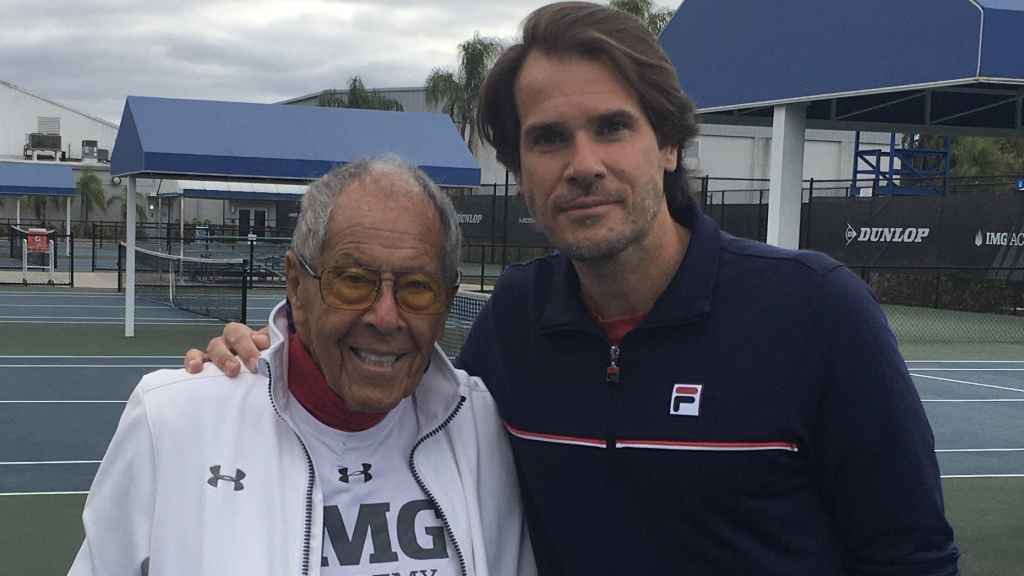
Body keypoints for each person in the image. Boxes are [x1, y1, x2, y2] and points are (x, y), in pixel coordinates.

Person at [186, 3, 959, 574]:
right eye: (549, 139)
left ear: (668, 144)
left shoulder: (818, 313)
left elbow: (912, 556)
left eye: (611, 127)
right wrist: (265, 356)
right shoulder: (511, 327)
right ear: (523, 174)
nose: (581, 162)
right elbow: (380, 406)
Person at [72, 157, 535, 576]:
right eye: (353, 281)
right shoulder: (173, 420)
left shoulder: (479, 425)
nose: (386, 317)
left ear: (446, 302)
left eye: (417, 287)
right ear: (297, 284)